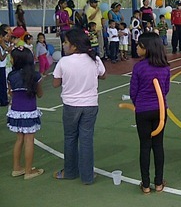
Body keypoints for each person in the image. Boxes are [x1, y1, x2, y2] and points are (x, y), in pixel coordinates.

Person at [53, 29, 106, 184]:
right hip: (90, 105)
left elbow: (56, 83)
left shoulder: (64, 62)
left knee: (70, 138)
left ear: (74, 46)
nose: (63, 45)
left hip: (71, 105)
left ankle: (69, 172)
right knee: (86, 140)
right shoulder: (94, 59)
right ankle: (87, 176)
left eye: (66, 42)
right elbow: (103, 75)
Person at [130, 32, 170, 194]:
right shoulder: (165, 67)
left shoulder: (139, 67)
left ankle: (146, 184)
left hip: (143, 111)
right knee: (158, 145)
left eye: (139, 46)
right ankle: (159, 182)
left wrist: (139, 104)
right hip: (160, 111)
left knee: (145, 146)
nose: (137, 48)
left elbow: (133, 91)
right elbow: (165, 90)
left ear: (146, 49)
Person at [6, 47, 44, 179]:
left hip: (15, 111)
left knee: (19, 140)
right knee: (29, 140)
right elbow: (40, 94)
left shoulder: (11, 75)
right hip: (29, 111)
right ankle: (28, 171)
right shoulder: (35, 76)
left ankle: (16, 168)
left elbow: (10, 93)